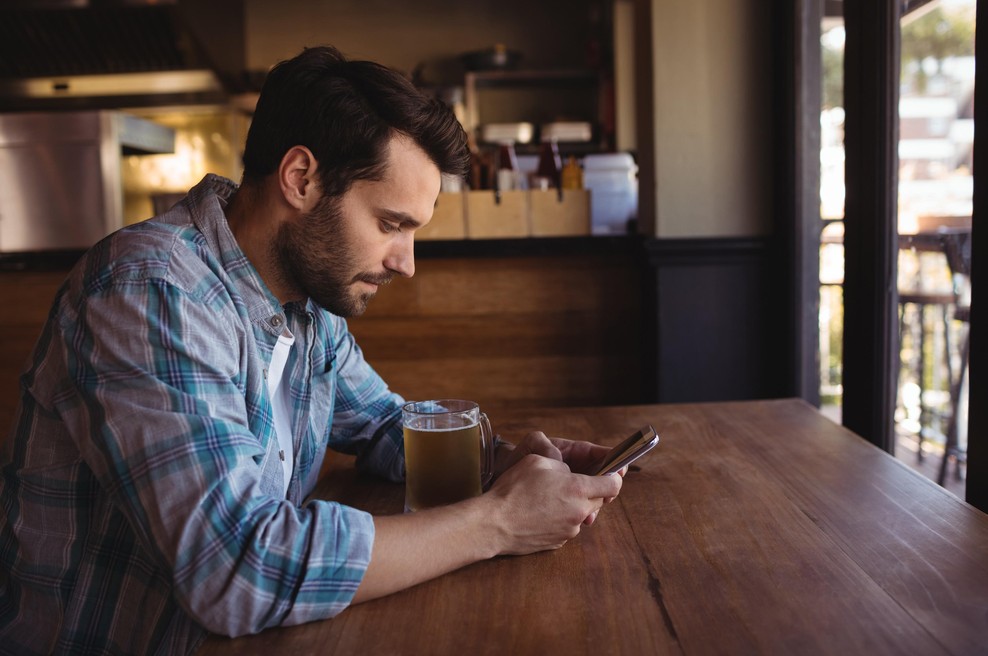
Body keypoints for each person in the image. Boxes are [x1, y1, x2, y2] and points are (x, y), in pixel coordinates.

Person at [0, 45, 622, 654]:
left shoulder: (305, 304)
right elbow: (236, 568)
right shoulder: (150, 291)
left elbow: (385, 425)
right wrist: (499, 521)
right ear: (301, 179)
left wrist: (504, 461)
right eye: (391, 224)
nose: (406, 264)